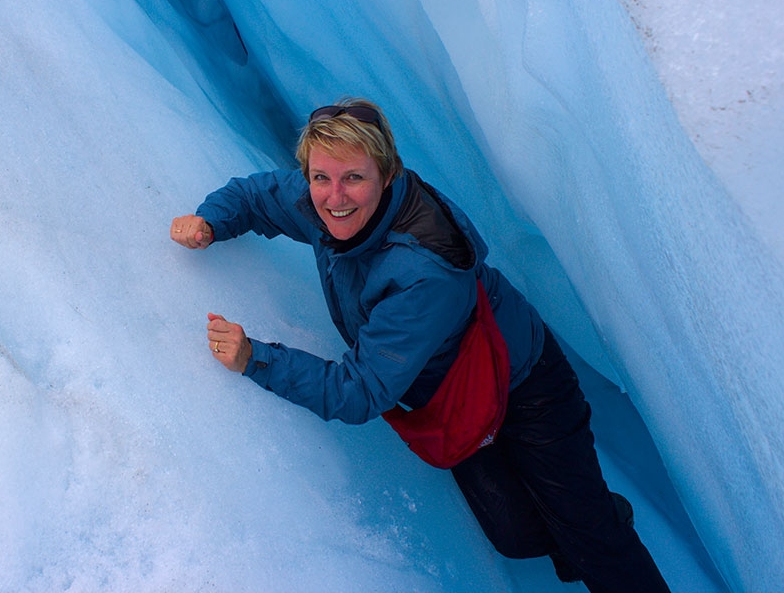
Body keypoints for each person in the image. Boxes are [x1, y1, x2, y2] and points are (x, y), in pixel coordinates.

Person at [170, 99, 671, 592]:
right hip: (452, 393)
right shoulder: (320, 201)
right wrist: (211, 222)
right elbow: (258, 196)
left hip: (527, 386)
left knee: (593, 541)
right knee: (516, 538)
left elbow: (361, 389)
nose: (334, 195)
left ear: (387, 175)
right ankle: (582, 515)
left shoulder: (423, 271)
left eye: (354, 178)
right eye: (321, 177)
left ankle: (594, 519)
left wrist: (256, 359)